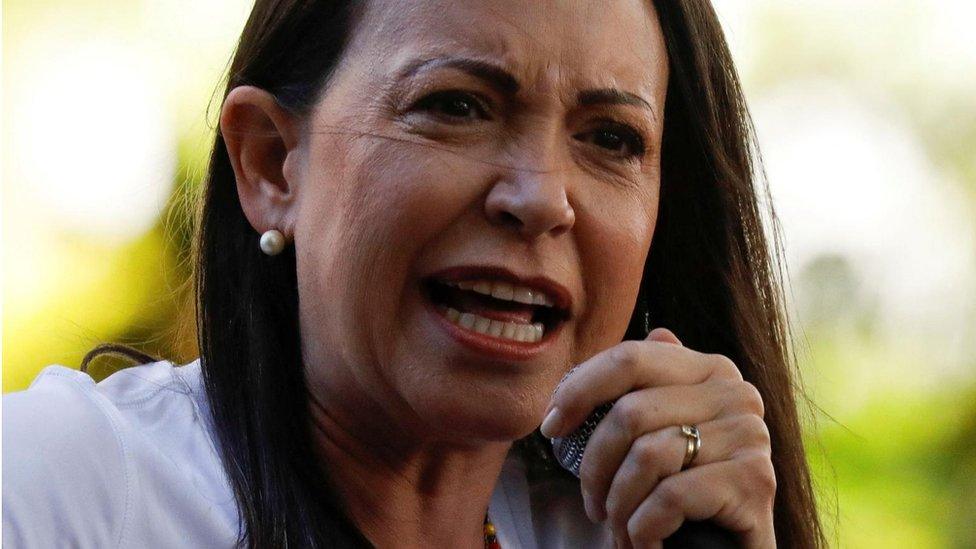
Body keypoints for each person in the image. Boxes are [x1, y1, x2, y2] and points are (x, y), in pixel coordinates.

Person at [2, 1, 826, 547]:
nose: (541, 199)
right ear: (272, 165)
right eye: (456, 106)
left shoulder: (619, 526)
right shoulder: (62, 487)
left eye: (611, 138)